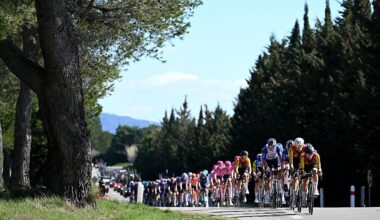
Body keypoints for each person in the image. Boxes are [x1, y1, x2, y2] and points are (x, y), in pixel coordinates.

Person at [262, 138, 283, 204]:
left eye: (273, 146)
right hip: (267, 161)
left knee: (279, 170)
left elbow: (281, 158)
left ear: (275, 145)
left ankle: (279, 187)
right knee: (268, 177)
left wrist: (281, 167)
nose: (271, 148)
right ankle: (268, 195)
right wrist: (266, 167)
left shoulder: (278, 147)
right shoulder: (265, 148)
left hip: (275, 160)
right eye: (270, 146)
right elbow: (263, 159)